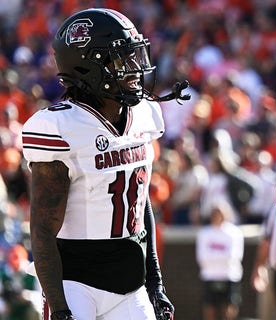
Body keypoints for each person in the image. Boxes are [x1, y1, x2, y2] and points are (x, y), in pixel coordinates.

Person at [21, 8, 187, 320]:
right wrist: (59, 308)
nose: (136, 70)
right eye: (123, 60)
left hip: (130, 282)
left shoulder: (144, 114)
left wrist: (155, 282)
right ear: (88, 67)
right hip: (75, 282)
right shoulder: (61, 127)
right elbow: (42, 227)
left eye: (135, 56)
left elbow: (139, 202)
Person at [195, 201, 244, 320]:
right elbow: (202, 257)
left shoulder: (234, 233)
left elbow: (234, 256)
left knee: (229, 308)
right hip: (209, 276)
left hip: (230, 276)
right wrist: (220, 256)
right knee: (209, 307)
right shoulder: (204, 233)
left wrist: (213, 256)